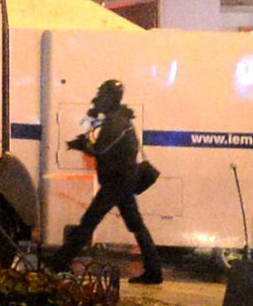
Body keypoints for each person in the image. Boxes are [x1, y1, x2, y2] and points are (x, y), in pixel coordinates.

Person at [48, 78, 167, 284]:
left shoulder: (116, 122)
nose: (98, 99)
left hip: (117, 182)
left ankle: (61, 260)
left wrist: (81, 145)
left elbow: (100, 149)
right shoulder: (116, 119)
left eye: (102, 95)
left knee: (90, 221)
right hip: (121, 181)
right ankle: (154, 271)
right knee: (136, 226)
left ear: (110, 98)